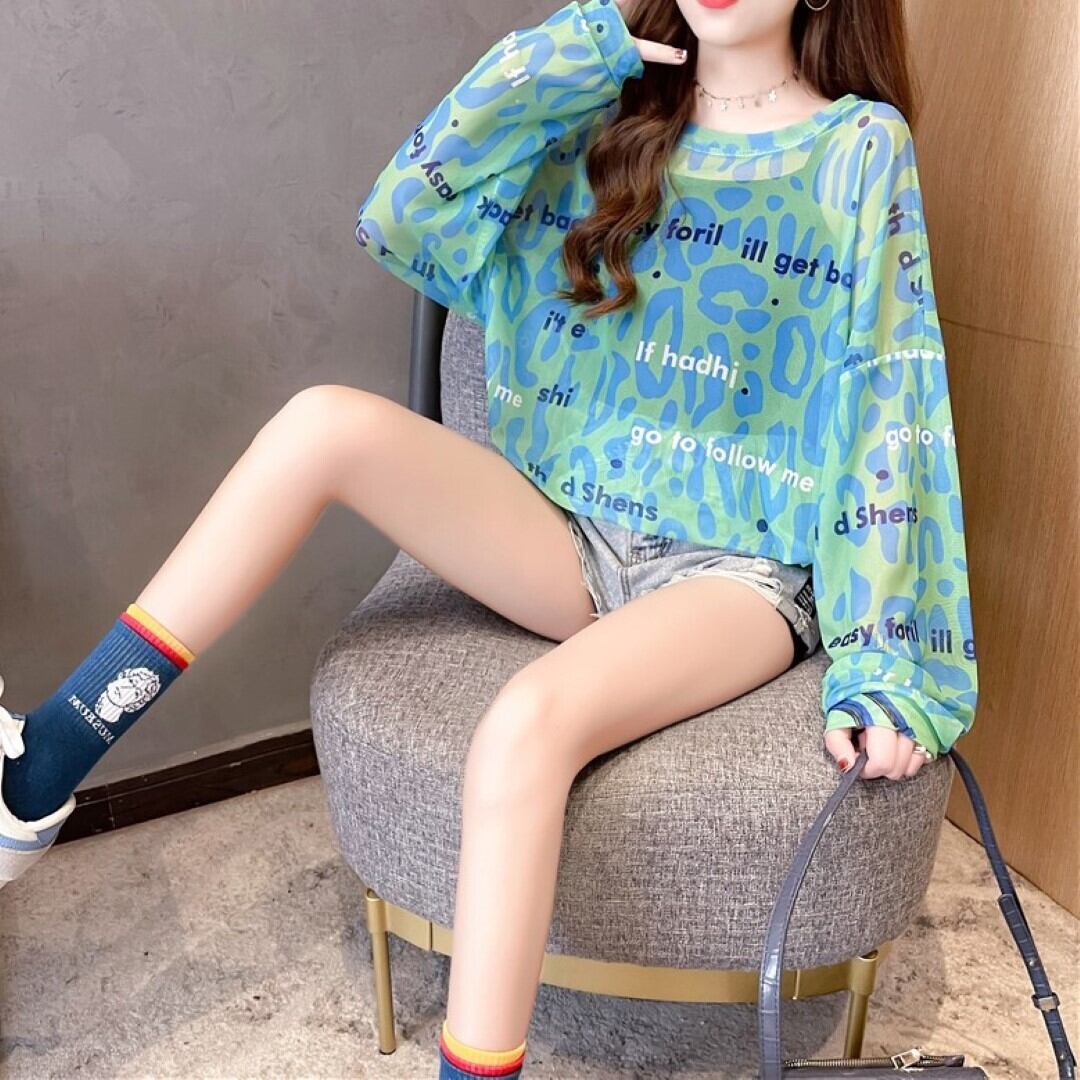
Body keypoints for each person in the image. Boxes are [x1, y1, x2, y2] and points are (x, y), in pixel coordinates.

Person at [0, 0, 979, 1076]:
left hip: (735, 574)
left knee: (523, 726)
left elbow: (890, 400)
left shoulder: (859, 149)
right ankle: (39, 770)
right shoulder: (604, 113)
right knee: (321, 424)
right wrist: (550, 64)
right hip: (569, 526)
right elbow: (405, 217)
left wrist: (889, 670)